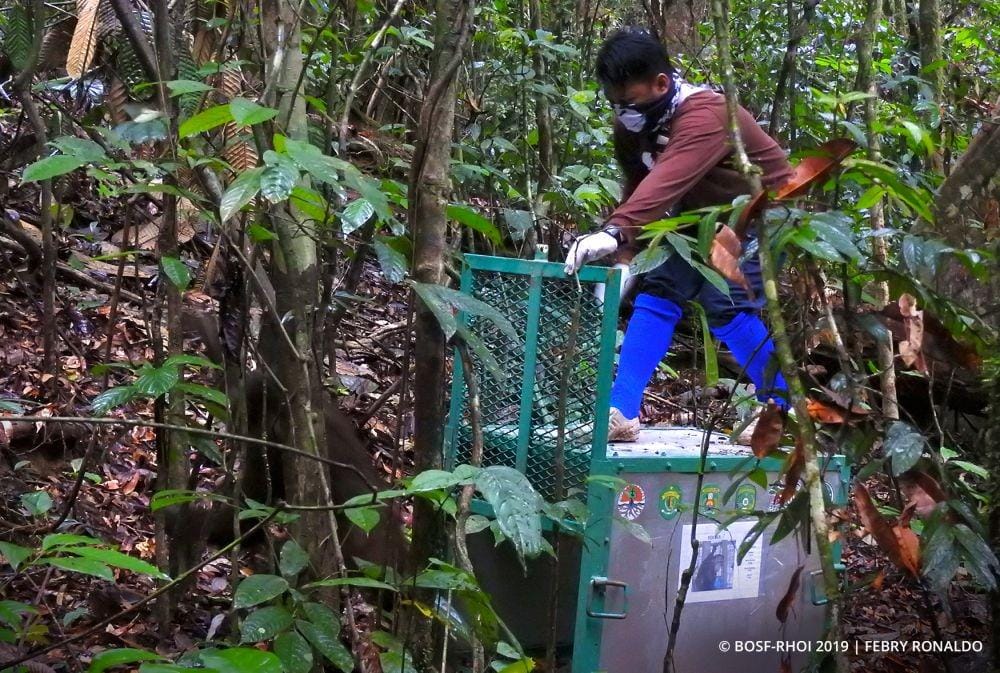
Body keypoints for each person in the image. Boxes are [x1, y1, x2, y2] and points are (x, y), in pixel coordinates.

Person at [564, 27, 791, 442]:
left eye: (630, 102)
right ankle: (622, 410)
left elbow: (668, 179)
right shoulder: (632, 127)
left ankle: (781, 407)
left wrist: (615, 232)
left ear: (662, 84)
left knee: (727, 306)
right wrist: (625, 257)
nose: (623, 113)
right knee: (659, 292)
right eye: (615, 104)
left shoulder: (707, 114)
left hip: (763, 211)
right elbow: (638, 187)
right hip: (700, 217)